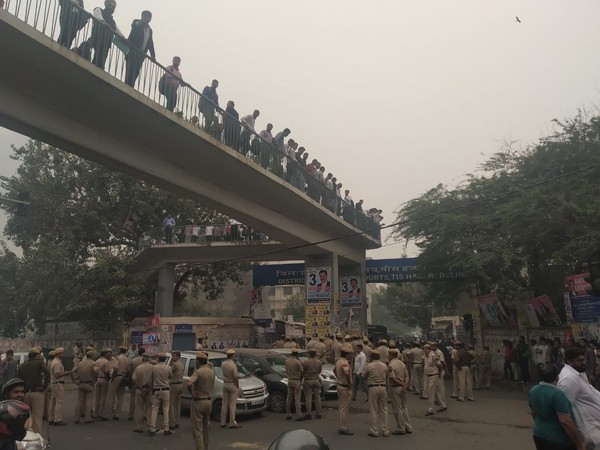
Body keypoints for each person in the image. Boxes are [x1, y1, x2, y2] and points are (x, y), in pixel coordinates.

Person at [530, 365, 584, 450]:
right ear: (557, 377)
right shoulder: (558, 394)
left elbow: (533, 412)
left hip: (538, 434)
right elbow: (565, 421)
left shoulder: (533, 390)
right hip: (558, 439)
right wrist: (579, 443)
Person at [558, 348, 600, 447]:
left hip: (595, 426)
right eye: (580, 360)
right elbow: (565, 412)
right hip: (588, 430)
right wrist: (577, 441)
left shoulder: (579, 373)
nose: (584, 363)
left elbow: (591, 392)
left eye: (584, 359)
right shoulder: (568, 379)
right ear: (569, 361)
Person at [187, 352, 215, 450]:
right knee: (206, 428)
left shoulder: (198, 372)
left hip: (199, 402)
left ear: (198, 361)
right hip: (208, 401)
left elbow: (189, 383)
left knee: (198, 430)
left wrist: (192, 393)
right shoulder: (212, 371)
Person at [16, 348, 48, 435]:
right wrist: (44, 386)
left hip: (25, 393)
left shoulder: (23, 365)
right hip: (37, 391)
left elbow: (17, 379)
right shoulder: (39, 363)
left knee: (26, 417)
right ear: (37, 355)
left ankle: (26, 436)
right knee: (37, 417)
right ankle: (37, 437)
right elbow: (47, 371)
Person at [124, 10, 155, 87]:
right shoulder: (136, 22)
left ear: (150, 19)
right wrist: (142, 22)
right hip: (132, 50)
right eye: (145, 16)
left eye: (148, 17)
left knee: (136, 71)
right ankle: (127, 84)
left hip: (141, 54)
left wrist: (153, 55)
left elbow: (150, 43)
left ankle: (131, 85)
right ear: (142, 16)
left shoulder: (149, 30)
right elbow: (135, 26)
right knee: (130, 69)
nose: (146, 18)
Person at [363, 349, 389, 437]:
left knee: (373, 410)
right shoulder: (384, 365)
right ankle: (385, 430)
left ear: (371, 357)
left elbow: (364, 376)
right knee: (384, 410)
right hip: (383, 387)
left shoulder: (369, 366)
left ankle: (374, 430)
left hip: (373, 387)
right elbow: (387, 375)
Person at [91, 0, 123, 69]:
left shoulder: (112, 21)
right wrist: (104, 22)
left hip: (106, 42)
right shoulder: (99, 9)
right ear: (105, 4)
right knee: (94, 52)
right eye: (110, 5)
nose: (111, 8)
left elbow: (117, 30)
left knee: (101, 60)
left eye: (113, 7)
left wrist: (124, 38)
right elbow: (98, 16)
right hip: (97, 37)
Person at [388, 348, 412, 435]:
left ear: (390, 355)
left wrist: (401, 384)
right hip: (403, 388)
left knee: (397, 409)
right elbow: (407, 375)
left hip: (395, 387)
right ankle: (408, 426)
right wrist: (404, 384)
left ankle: (401, 428)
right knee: (404, 407)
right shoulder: (402, 363)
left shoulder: (391, 364)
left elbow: (392, 378)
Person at [149, 353, 172, 436]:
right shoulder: (168, 368)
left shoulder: (154, 367)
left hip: (156, 390)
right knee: (166, 409)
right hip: (166, 390)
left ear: (158, 359)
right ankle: (166, 428)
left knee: (154, 409)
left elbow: (151, 379)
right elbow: (170, 376)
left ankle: (152, 428)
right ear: (165, 359)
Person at [71, 350, 96, 424]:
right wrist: (95, 379)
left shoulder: (80, 363)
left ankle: (76, 418)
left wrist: (74, 380)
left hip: (81, 383)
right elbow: (96, 371)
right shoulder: (93, 363)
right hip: (89, 384)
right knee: (88, 401)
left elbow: (72, 371)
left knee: (79, 401)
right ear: (92, 356)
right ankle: (87, 418)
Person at [103, 346, 128, 420]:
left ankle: (106, 415)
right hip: (123, 377)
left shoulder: (118, 358)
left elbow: (116, 368)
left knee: (110, 395)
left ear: (120, 351)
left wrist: (112, 378)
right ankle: (117, 414)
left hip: (116, 376)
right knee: (120, 397)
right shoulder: (127, 359)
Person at [423, 343, 448, 416]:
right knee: (436, 392)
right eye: (424, 349)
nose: (425, 350)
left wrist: (439, 374)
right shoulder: (425, 356)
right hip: (429, 376)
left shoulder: (434, 356)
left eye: (426, 349)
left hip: (434, 376)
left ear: (429, 349)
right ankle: (443, 405)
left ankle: (430, 409)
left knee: (430, 392)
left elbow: (439, 366)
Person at [48, 347, 70, 426]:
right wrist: (66, 373)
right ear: (58, 354)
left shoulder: (55, 361)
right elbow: (57, 374)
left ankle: (51, 418)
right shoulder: (57, 363)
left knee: (53, 400)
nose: (64, 354)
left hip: (53, 383)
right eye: (62, 353)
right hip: (57, 383)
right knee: (59, 401)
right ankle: (57, 419)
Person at [334, 343, 353, 435]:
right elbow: (346, 373)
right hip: (344, 387)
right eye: (350, 354)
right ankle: (343, 427)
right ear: (347, 354)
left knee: (341, 407)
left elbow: (334, 370)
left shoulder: (338, 361)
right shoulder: (345, 363)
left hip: (339, 385)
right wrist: (349, 382)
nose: (351, 355)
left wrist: (338, 377)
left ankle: (340, 425)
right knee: (344, 408)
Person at [132, 353, 153, 433]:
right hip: (149, 391)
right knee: (149, 408)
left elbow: (134, 380)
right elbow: (153, 380)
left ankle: (139, 427)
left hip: (139, 390)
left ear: (142, 359)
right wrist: (148, 389)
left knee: (139, 408)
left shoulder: (138, 368)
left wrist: (141, 388)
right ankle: (150, 426)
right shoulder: (152, 368)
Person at [220, 350, 241, 428]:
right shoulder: (233, 365)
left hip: (225, 383)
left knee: (224, 403)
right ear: (233, 356)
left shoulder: (223, 363)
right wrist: (237, 386)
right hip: (232, 384)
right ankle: (232, 423)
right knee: (232, 405)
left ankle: (222, 422)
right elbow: (235, 377)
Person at [302, 349, 322, 420]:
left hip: (308, 380)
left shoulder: (306, 362)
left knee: (308, 398)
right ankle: (319, 413)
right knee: (317, 397)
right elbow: (320, 371)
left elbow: (303, 371)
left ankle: (308, 413)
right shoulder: (318, 362)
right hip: (316, 380)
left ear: (309, 354)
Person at [285, 348, 304, 421]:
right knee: (297, 399)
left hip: (290, 380)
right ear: (297, 354)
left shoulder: (287, 361)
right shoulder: (297, 362)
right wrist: (300, 380)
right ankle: (298, 415)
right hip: (296, 380)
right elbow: (301, 372)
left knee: (289, 397)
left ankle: (288, 414)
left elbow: (286, 370)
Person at [93, 348, 111, 420]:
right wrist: (109, 378)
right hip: (104, 379)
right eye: (108, 353)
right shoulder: (106, 362)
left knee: (97, 397)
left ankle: (95, 413)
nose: (109, 354)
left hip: (98, 379)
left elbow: (94, 370)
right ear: (104, 354)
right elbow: (107, 372)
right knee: (103, 397)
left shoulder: (97, 361)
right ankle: (101, 413)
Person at [168, 351, 184, 430]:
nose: (172, 357)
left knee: (172, 404)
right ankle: (177, 421)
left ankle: (172, 423)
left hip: (174, 385)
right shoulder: (181, 363)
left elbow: (168, 372)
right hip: (180, 384)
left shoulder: (174, 364)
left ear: (178, 356)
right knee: (178, 404)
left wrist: (170, 363)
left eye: (174, 356)